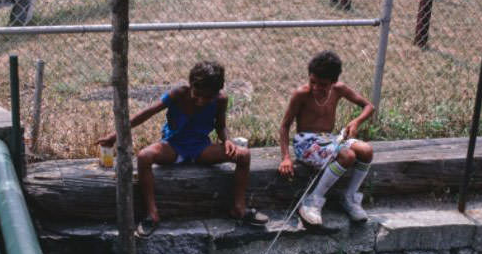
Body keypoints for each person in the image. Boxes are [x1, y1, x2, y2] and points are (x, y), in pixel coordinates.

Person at [98, 61, 269, 237]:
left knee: (244, 155)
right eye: (198, 95)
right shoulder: (178, 93)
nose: (202, 101)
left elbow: (221, 126)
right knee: (144, 156)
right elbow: (147, 113)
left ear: (217, 92)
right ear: (191, 85)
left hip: (201, 148)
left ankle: (239, 208)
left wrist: (227, 140)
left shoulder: (220, 100)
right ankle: (152, 213)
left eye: (208, 97)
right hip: (173, 146)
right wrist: (114, 136)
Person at [277, 50, 374, 224]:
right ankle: (312, 201)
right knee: (347, 155)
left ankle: (349, 197)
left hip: (330, 139)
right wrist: (286, 157)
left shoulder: (339, 89)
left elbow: (368, 106)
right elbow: (284, 127)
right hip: (305, 143)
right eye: (312, 81)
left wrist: (356, 122)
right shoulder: (301, 94)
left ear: (333, 82)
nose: (316, 87)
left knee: (366, 151)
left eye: (322, 84)